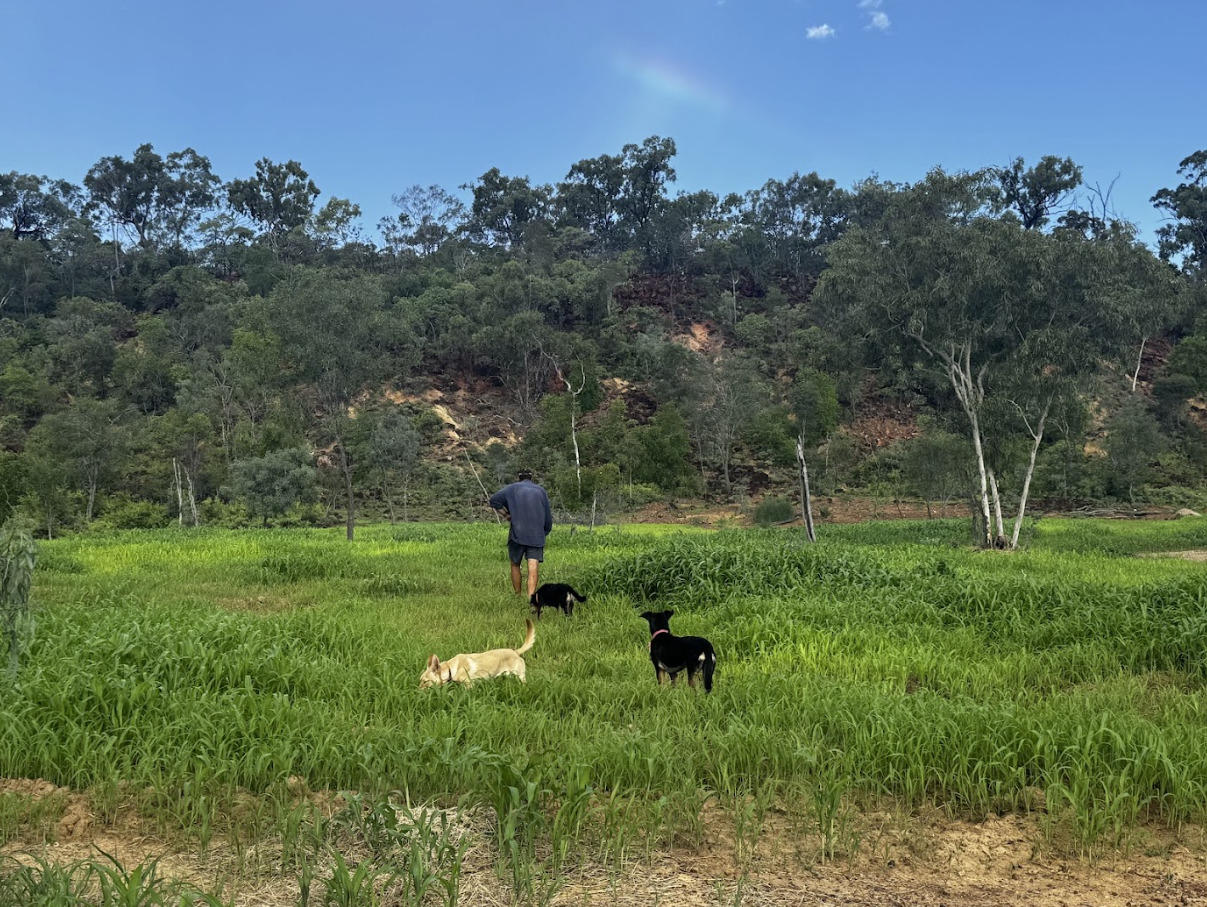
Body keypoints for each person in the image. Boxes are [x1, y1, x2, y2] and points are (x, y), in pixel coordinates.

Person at [489, 470, 553, 597]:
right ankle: (531, 598)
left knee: (515, 564)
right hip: (536, 534)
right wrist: (544, 531)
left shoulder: (511, 489)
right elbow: (547, 516)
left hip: (517, 533)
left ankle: (517, 595)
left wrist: (507, 515)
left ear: (518, 478)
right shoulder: (541, 491)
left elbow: (494, 501)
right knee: (533, 567)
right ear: (531, 478)